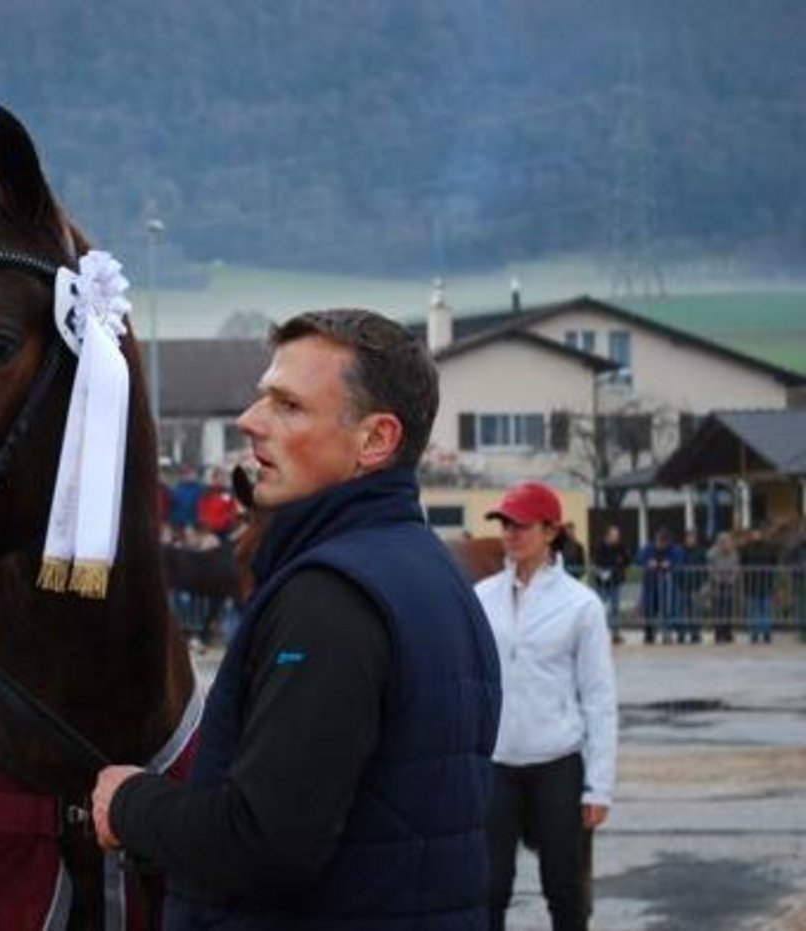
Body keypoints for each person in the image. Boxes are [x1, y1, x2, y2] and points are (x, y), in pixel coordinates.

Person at [92, 309, 501, 928]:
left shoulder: (331, 598)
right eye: (263, 398)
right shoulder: (433, 572)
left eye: (288, 406)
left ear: (375, 440)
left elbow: (265, 844)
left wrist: (129, 804)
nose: (249, 422)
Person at [477, 482, 617, 931]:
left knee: (564, 888)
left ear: (551, 530)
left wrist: (599, 786)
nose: (510, 533)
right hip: (496, 764)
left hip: (557, 762)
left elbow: (599, 697)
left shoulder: (582, 605)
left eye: (521, 524)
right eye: (504, 523)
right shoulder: (481, 597)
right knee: (488, 888)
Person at [637, 528, 682, 644]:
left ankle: (666, 633)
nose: (660, 545)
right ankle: (649, 634)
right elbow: (640, 559)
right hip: (650, 585)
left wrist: (670, 564)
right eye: (659, 541)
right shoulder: (649, 548)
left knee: (667, 609)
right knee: (650, 609)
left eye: (663, 542)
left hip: (667, 585)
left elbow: (678, 560)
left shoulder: (673, 549)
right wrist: (648, 563)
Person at [591, 525, 630, 644]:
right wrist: (612, 565)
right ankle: (598, 632)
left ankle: (615, 633)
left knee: (615, 608)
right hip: (602, 582)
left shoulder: (621, 546)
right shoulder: (599, 546)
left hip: (616, 581)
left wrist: (617, 564)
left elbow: (626, 560)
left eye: (617, 536)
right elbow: (597, 562)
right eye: (614, 535)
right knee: (600, 608)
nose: (617, 538)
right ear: (608, 536)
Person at [707, 531, 740, 644]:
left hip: (729, 583)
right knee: (718, 609)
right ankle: (718, 633)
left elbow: (736, 568)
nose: (727, 544)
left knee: (728, 609)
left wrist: (731, 579)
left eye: (728, 542)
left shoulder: (733, 553)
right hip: (716, 584)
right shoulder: (712, 553)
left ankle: (727, 632)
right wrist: (718, 579)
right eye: (724, 542)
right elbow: (711, 569)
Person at [676, 529, 707, 643]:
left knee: (696, 611)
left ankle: (695, 633)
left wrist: (702, 581)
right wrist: (678, 580)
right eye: (689, 537)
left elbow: (705, 567)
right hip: (683, 586)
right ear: (685, 539)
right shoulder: (680, 551)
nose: (690, 540)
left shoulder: (700, 551)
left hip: (696, 586)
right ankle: (682, 633)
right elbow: (677, 566)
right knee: (682, 611)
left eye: (692, 537)